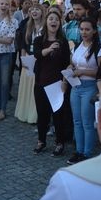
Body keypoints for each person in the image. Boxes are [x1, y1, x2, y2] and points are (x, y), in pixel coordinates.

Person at [32, 10, 72, 156]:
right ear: (46, 21)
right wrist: (49, 49)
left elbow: (67, 63)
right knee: (42, 114)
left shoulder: (63, 42)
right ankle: (41, 141)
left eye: (56, 19)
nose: (53, 21)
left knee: (58, 115)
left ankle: (59, 143)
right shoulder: (39, 40)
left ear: (59, 23)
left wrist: (65, 82)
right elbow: (37, 54)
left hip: (57, 84)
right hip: (41, 82)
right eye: (50, 19)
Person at [67, 18, 101, 164]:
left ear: (94, 31)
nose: (84, 32)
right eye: (81, 29)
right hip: (76, 86)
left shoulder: (99, 48)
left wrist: (83, 71)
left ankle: (87, 153)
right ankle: (78, 150)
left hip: (89, 87)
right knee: (77, 121)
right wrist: (70, 69)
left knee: (87, 122)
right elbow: (72, 64)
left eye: (87, 29)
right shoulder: (76, 46)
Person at [15, 3, 45, 124]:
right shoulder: (28, 26)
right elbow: (23, 44)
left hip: (39, 60)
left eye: (37, 9)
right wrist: (23, 59)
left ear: (42, 12)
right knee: (26, 88)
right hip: (28, 59)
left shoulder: (45, 28)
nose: (34, 11)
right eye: (32, 10)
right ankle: (24, 113)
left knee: (35, 88)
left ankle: (35, 115)